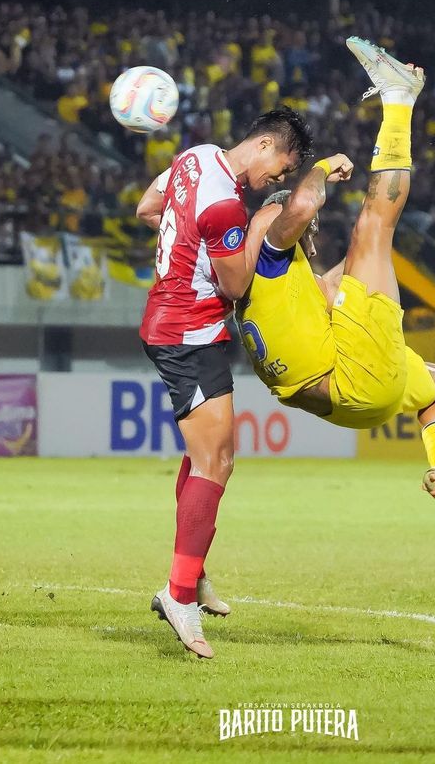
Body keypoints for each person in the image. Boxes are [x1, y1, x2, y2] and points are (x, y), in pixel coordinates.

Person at [236, 38, 435, 549]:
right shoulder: (265, 256)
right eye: (269, 208)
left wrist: (363, 248)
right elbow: (306, 208)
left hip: (354, 403)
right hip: (353, 376)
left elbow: (343, 275)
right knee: (375, 224)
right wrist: (325, 166)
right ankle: (398, 100)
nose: (269, 208)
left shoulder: (281, 286)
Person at [135, 107, 316, 659]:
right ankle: (179, 593)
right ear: (263, 144)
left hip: (181, 325)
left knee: (212, 458)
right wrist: (261, 222)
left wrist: (187, 239)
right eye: (282, 169)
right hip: (188, 333)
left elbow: (148, 208)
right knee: (215, 463)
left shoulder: (194, 158)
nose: (279, 181)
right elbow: (236, 286)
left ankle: (192, 569)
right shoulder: (227, 205)